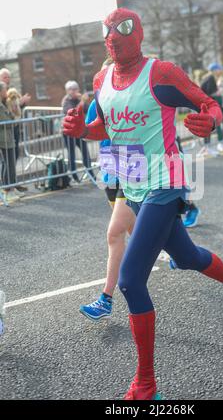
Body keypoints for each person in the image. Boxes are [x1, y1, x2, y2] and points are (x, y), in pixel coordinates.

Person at [63, 8, 223, 401]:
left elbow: (208, 103)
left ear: (137, 34)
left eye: (121, 31)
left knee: (131, 279)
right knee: (187, 256)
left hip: (165, 181)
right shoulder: (101, 78)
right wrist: (82, 130)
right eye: (107, 33)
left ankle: (146, 385)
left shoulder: (161, 73)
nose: (113, 38)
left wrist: (210, 120)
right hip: (134, 184)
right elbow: (106, 126)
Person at [79, 97, 136, 321]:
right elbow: (90, 130)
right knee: (133, 226)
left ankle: (106, 299)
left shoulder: (131, 96)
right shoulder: (97, 101)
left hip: (134, 161)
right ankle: (173, 250)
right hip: (110, 163)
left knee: (114, 233)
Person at [0, 68, 31, 192]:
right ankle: (7, 185)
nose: (8, 79)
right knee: (7, 159)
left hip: (13, 128)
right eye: (5, 77)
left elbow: (14, 109)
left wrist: (21, 103)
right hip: (6, 130)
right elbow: (7, 112)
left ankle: (13, 183)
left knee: (14, 156)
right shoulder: (3, 94)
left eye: (9, 77)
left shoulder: (9, 92)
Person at [62, 81, 96, 183]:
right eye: (70, 89)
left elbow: (89, 109)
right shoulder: (66, 101)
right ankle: (74, 175)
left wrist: (85, 101)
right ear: (67, 91)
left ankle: (90, 173)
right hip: (69, 131)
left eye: (75, 89)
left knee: (85, 152)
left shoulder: (79, 99)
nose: (73, 91)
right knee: (71, 154)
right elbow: (73, 113)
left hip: (80, 130)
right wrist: (82, 102)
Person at [0, 82, 25, 202]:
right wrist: (13, 116)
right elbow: (7, 120)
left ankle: (10, 189)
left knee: (9, 164)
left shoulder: (3, 104)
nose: (6, 92)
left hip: (8, 137)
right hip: (4, 138)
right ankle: (7, 191)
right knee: (8, 164)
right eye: (4, 90)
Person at [201, 63, 223, 154]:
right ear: (215, 70)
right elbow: (209, 93)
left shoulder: (208, 78)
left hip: (206, 106)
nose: (220, 71)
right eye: (219, 69)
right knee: (209, 126)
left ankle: (208, 146)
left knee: (211, 125)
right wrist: (217, 93)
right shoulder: (210, 78)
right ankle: (207, 147)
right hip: (207, 106)